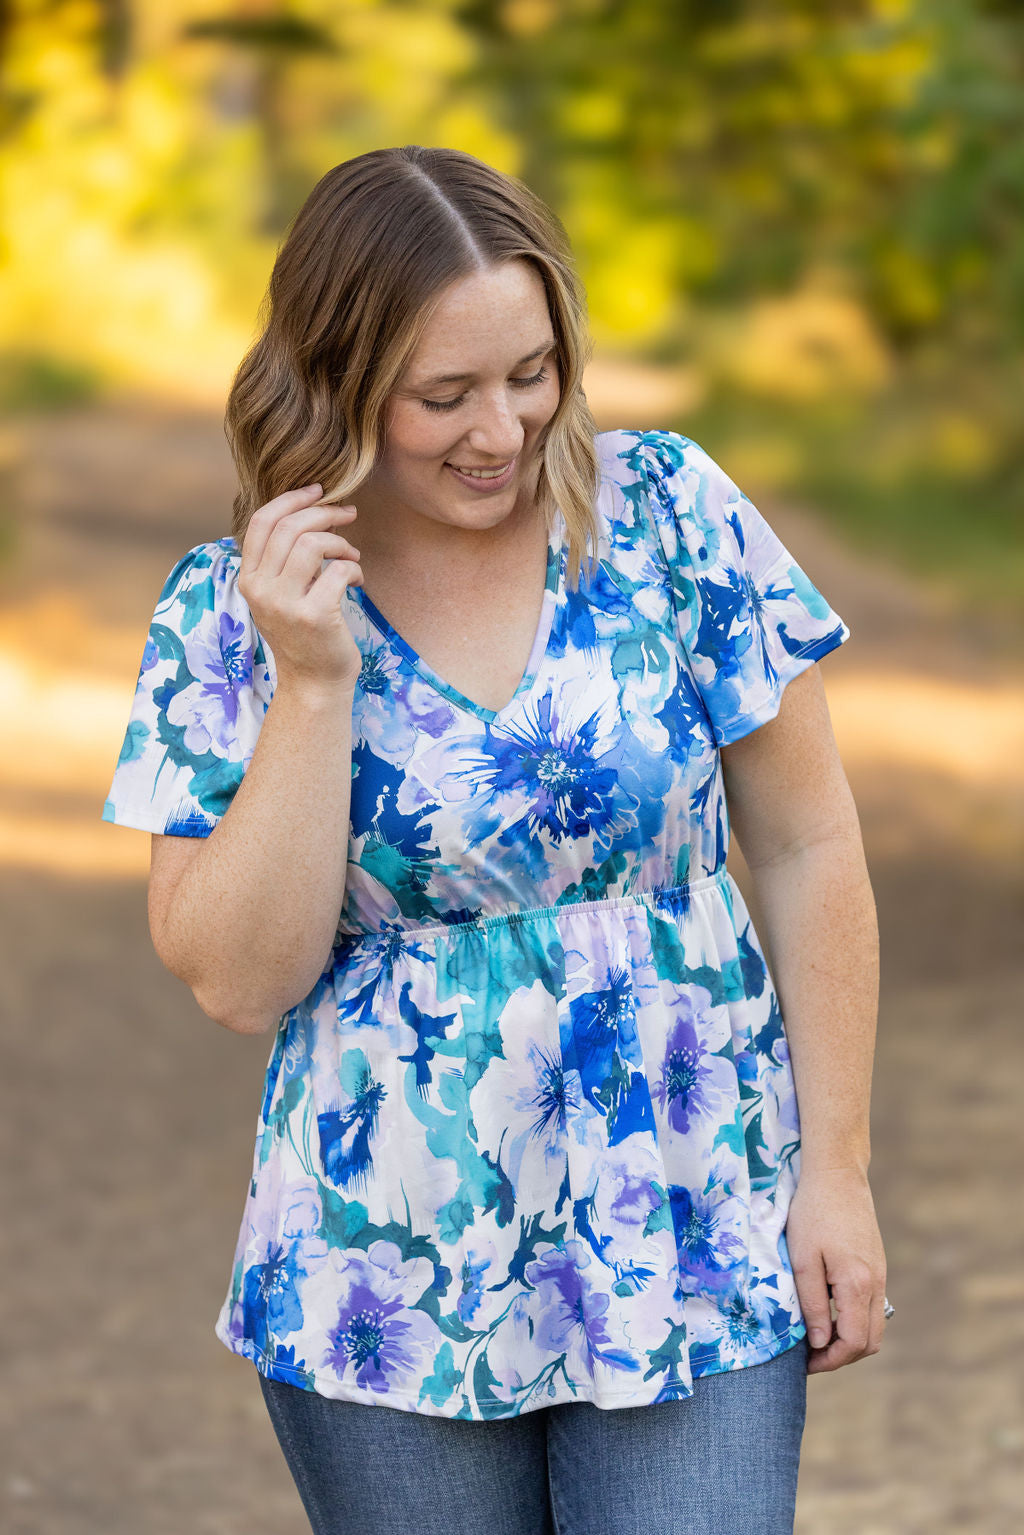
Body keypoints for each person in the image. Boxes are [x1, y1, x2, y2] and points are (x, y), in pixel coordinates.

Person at [101, 145, 888, 1535]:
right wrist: (314, 681)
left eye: (531, 373)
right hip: (385, 1271)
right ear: (338, 382)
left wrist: (837, 1172)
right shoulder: (231, 611)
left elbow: (813, 842)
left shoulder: (671, 516)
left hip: (691, 1216)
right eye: (443, 394)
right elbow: (236, 979)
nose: (503, 429)